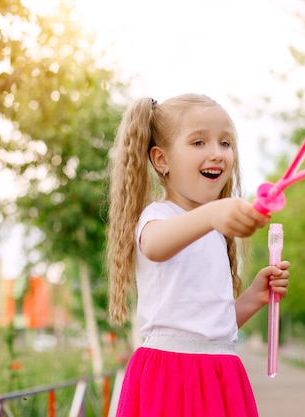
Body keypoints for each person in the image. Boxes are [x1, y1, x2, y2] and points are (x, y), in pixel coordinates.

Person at [106, 93, 291, 416]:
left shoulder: (215, 232)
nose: (217, 153)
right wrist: (212, 216)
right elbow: (155, 245)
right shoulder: (158, 216)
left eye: (225, 143)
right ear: (161, 160)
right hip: (170, 377)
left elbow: (212, 326)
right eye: (198, 143)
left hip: (220, 375)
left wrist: (253, 297)